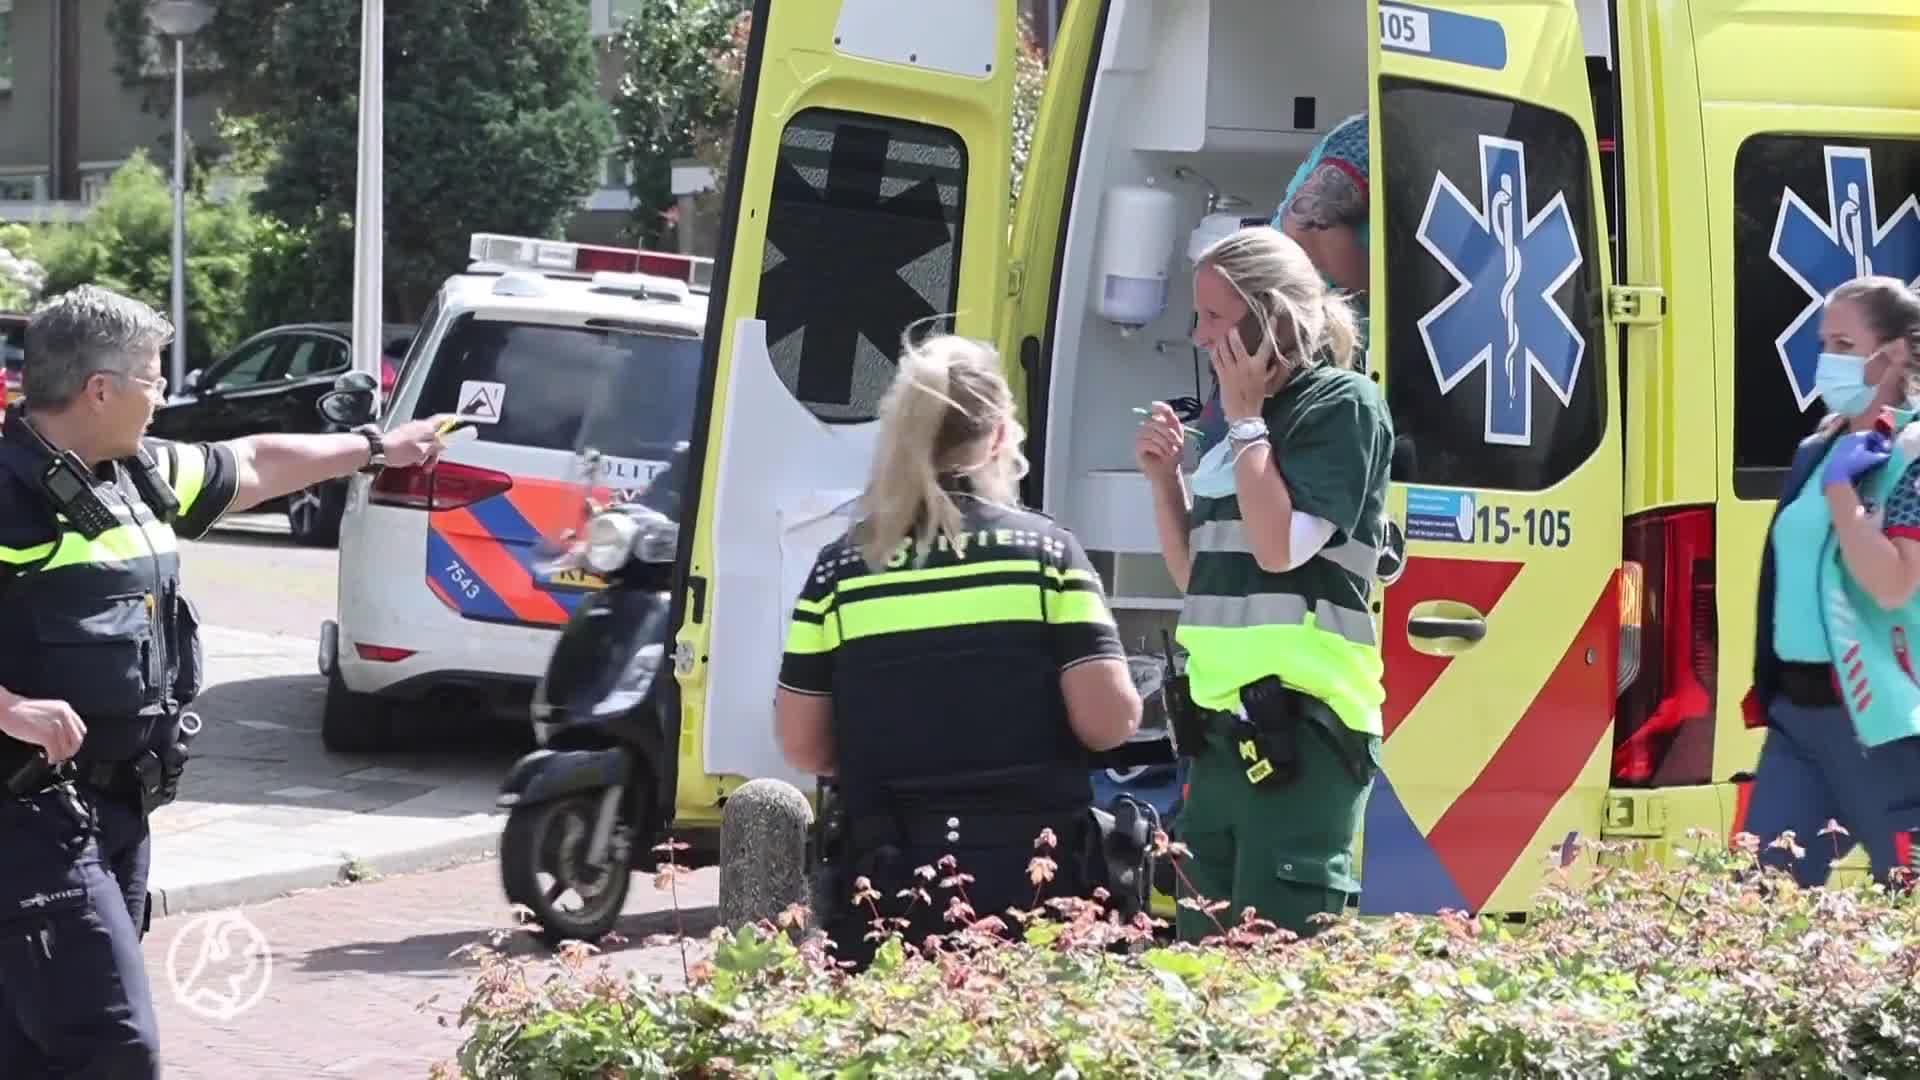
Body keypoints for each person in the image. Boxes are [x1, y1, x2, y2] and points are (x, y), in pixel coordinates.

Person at [0, 284, 453, 1077]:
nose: (165, 393)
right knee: (112, 1049)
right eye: (154, 377)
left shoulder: (134, 472)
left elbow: (252, 463)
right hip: (31, 821)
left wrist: (379, 447)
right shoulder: (9, 494)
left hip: (118, 813)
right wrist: (9, 710)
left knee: (32, 1046)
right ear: (99, 389)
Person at [773, 333, 1143, 969]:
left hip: (885, 885)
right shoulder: (1050, 556)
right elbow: (1108, 725)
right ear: (999, 437)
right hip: (1037, 883)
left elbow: (804, 744)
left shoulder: (841, 570)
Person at [1135, 225, 1393, 942]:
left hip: (1304, 735)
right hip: (1224, 737)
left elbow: (1280, 550)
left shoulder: (1338, 406)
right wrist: (1166, 483)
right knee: (1198, 959)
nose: (1199, 337)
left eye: (1214, 318)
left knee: (1275, 967)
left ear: (1272, 319)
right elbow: (1199, 576)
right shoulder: (1240, 433)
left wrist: (1247, 424)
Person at [1742, 274, 1920, 891]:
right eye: (1825, 343)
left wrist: (1844, 497)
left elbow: (1895, 586)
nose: (1828, 361)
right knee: (1762, 906)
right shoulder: (1818, 448)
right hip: (1800, 718)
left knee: (1907, 904)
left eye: (1844, 344)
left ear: (1893, 353)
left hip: (1881, 726)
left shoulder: (1912, 453)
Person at [1194, 112, 1371, 456]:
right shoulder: (1370, 133)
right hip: (1295, 376)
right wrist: (1403, 311)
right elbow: (1308, 224)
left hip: (1279, 372)